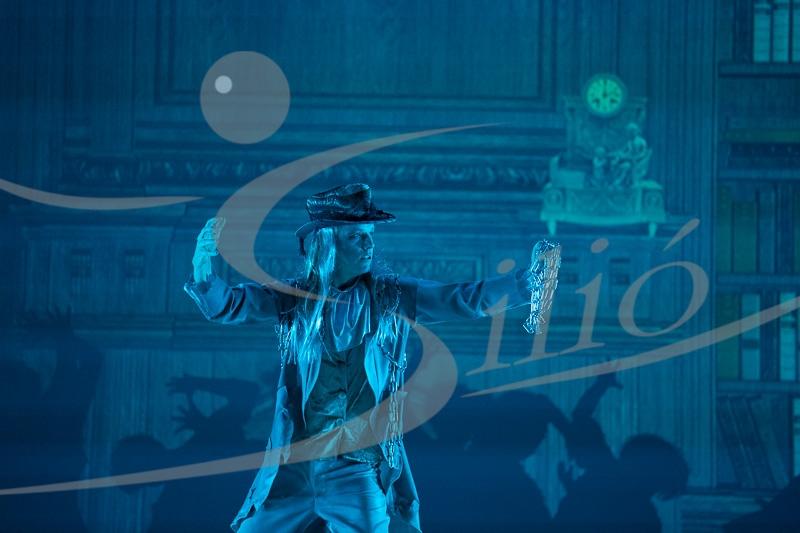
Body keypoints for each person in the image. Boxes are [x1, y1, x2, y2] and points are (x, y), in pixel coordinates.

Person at [185, 183, 553, 533]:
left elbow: (460, 298)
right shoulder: (294, 300)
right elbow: (232, 304)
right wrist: (204, 269)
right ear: (329, 243)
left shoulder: (392, 297)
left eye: (371, 235)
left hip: (355, 471)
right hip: (294, 472)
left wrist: (524, 284)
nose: (369, 244)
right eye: (356, 236)